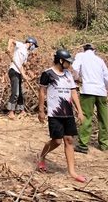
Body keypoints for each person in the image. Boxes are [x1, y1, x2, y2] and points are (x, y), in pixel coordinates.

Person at [37, 49, 86, 183]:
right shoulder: (47, 74)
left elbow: (74, 93)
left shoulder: (68, 75)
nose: (70, 64)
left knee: (69, 140)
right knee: (57, 140)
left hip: (68, 113)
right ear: (60, 61)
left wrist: (79, 111)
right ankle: (41, 157)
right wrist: (41, 110)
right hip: (55, 113)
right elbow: (42, 92)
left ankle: (72, 172)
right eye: (68, 62)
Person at [72, 43, 108, 153]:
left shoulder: (80, 56)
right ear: (94, 50)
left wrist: (76, 79)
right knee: (103, 118)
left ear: (84, 49)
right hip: (101, 92)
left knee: (86, 116)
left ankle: (83, 145)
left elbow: (75, 68)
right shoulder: (100, 60)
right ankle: (104, 143)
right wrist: (105, 88)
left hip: (88, 91)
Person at [6, 37, 38, 120]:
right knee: (15, 92)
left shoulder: (26, 53)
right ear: (31, 43)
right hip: (13, 70)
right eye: (34, 46)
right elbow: (11, 40)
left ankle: (21, 110)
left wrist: (25, 76)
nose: (33, 48)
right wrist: (8, 48)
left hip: (18, 72)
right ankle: (11, 112)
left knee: (21, 92)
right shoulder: (21, 46)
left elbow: (21, 67)